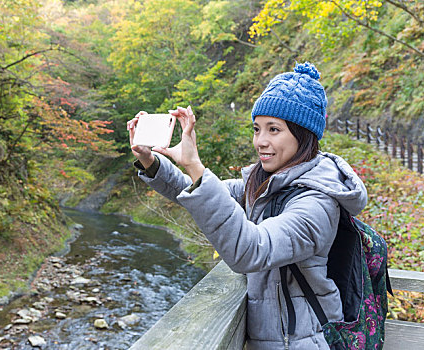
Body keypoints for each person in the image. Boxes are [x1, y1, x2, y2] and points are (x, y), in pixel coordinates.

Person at [126, 62, 367, 350]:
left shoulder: (316, 203)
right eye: (257, 129)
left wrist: (196, 165)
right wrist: (150, 161)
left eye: (274, 129)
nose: (261, 141)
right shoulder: (264, 184)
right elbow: (196, 192)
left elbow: (251, 251)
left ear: (304, 135)